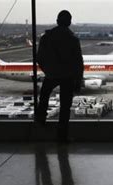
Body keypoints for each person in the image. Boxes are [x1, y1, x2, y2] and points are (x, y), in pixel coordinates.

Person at [36, 10, 84, 141]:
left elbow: (39, 58)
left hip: (51, 75)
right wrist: (78, 81)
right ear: (69, 22)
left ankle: (39, 127)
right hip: (68, 77)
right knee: (65, 108)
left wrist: (48, 71)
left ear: (57, 21)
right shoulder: (73, 39)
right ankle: (62, 137)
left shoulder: (46, 37)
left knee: (43, 99)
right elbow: (79, 63)